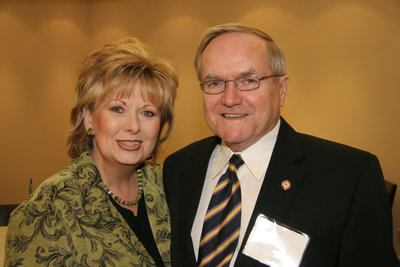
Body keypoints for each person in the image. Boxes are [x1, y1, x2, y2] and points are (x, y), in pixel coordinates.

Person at [163, 23, 399, 266]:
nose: (230, 99)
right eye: (215, 83)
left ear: (282, 89)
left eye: (248, 80)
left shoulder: (349, 176)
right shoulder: (178, 169)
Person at [5, 37, 178, 266]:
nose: (133, 126)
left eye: (148, 113)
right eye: (117, 109)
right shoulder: (47, 208)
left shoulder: (170, 186)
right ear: (88, 119)